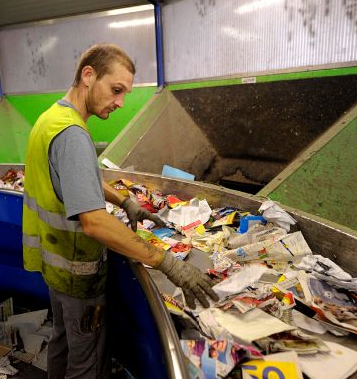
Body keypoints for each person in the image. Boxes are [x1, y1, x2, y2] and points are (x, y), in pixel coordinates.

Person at [22, 44, 218, 379]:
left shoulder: (51, 119)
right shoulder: (73, 135)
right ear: (88, 75)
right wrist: (167, 262)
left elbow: (81, 179)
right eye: (116, 90)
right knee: (85, 362)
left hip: (52, 263)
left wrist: (125, 202)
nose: (120, 103)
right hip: (76, 271)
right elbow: (94, 223)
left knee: (62, 341)